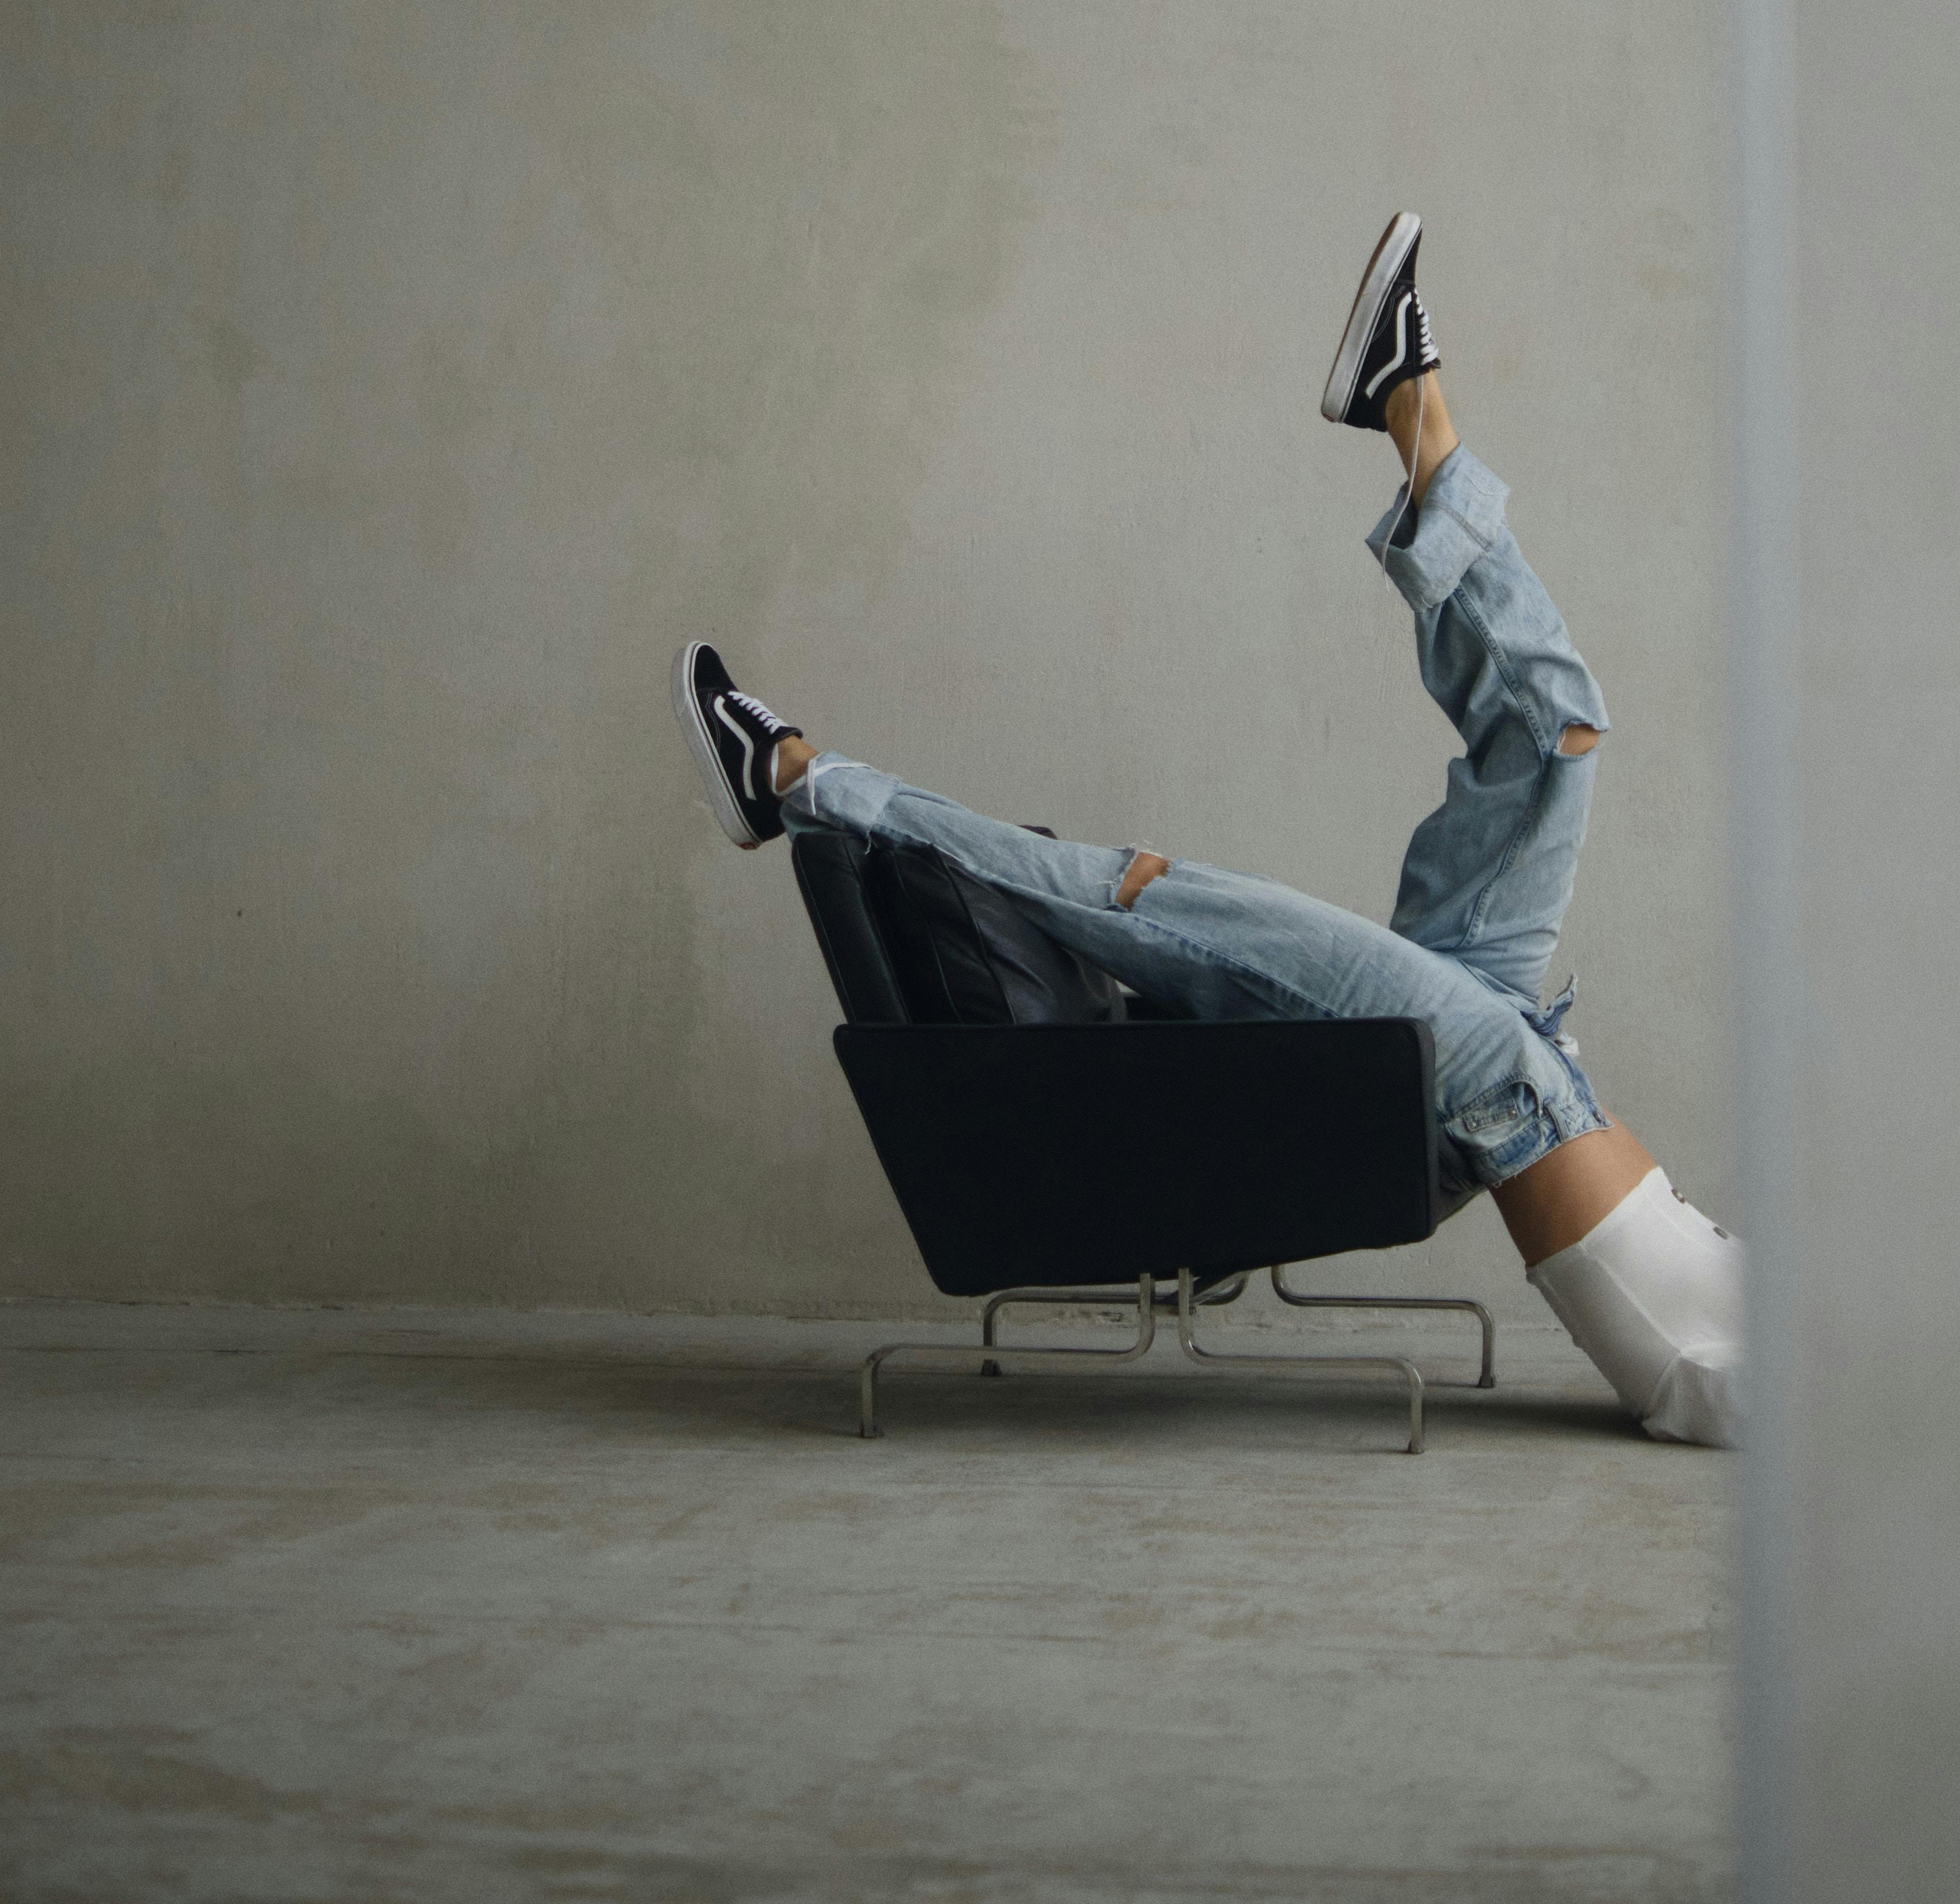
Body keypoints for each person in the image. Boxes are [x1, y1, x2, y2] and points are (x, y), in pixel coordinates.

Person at [672, 214, 1742, 1448]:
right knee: (1555, 734)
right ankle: (1414, 419)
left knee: (1161, 899)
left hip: (1501, 1103)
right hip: (1536, 1073)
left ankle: (798, 779)